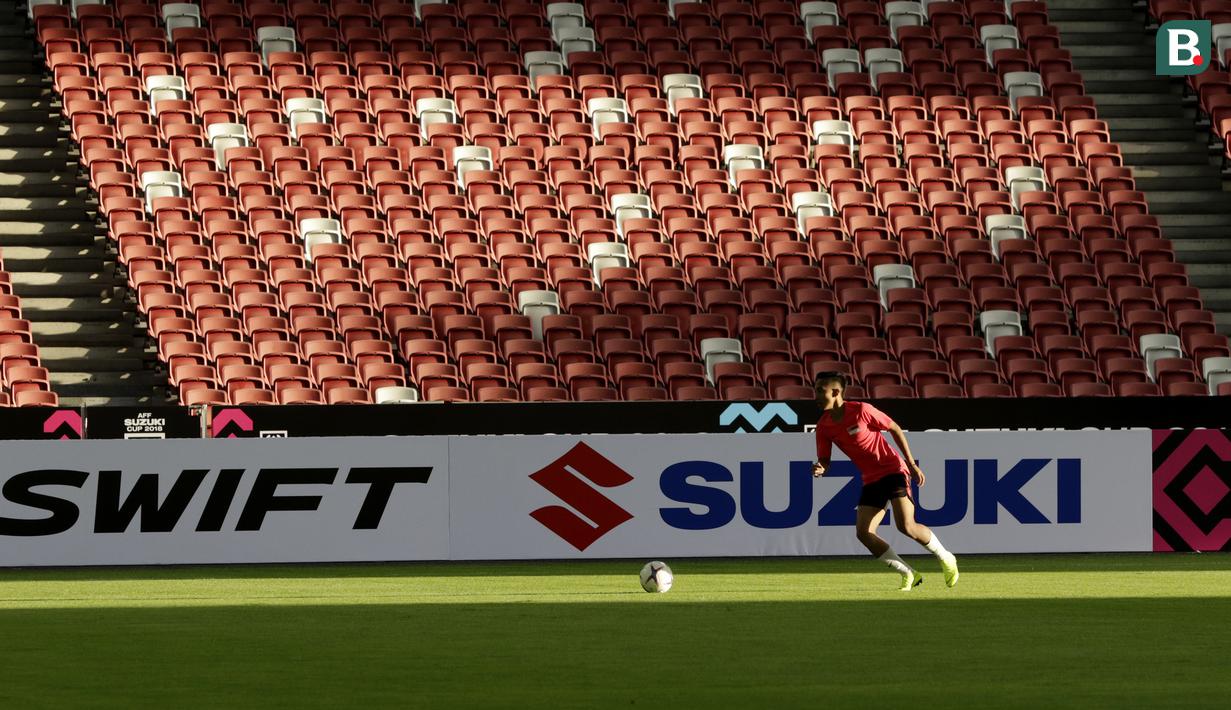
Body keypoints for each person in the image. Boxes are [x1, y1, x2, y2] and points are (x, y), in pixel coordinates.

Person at [811, 371, 959, 591]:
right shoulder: (824, 426)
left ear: (835, 391)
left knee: (906, 526)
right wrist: (821, 467)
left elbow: (895, 428)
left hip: (893, 471)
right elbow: (825, 458)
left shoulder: (862, 410)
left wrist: (911, 464)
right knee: (864, 533)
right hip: (871, 479)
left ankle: (946, 557)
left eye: (820, 391)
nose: (816, 396)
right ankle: (909, 574)